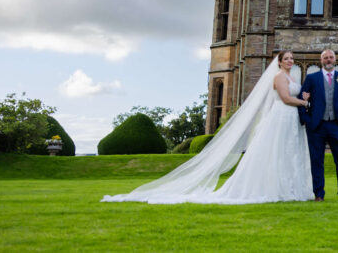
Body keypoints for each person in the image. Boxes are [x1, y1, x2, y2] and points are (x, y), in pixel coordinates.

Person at [102, 51, 312, 204]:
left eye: (292, 58)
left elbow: (292, 94)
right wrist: (303, 103)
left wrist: (304, 97)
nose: (290, 61)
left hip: (291, 119)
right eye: (287, 58)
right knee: (275, 152)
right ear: (280, 62)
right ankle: (274, 189)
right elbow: (285, 98)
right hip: (281, 117)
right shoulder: (278, 77)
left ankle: (291, 189)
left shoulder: (291, 76)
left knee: (288, 153)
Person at [299, 49, 338, 201]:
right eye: (325, 58)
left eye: (331, 57)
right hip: (316, 127)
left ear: (335, 60)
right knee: (317, 161)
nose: (328, 60)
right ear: (321, 60)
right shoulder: (312, 78)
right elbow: (301, 99)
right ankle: (318, 194)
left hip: (337, 125)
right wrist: (306, 119)